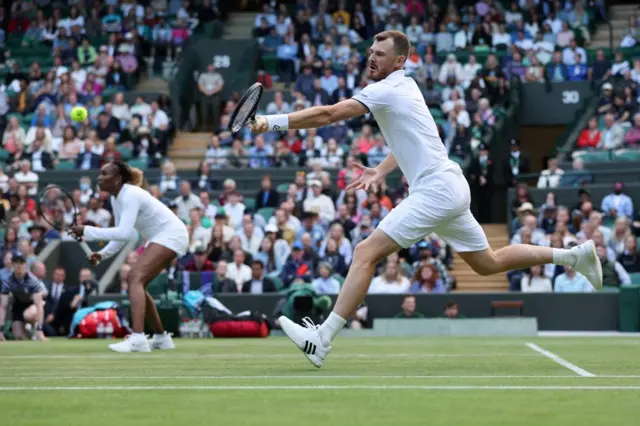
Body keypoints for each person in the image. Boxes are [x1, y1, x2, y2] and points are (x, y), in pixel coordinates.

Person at [249, 30, 602, 368]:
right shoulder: (406, 87)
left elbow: (328, 114)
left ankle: (322, 339)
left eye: (381, 54)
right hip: (449, 186)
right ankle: (573, 255)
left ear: (399, 60)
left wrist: (269, 122)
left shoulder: (387, 90)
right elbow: (411, 141)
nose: (372, 57)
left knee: (364, 253)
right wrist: (381, 171)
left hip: (436, 189)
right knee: (488, 264)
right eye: (371, 52)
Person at [70, 161, 189, 353]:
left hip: (172, 234)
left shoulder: (131, 194)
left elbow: (124, 233)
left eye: (104, 173)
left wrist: (88, 231)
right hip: (161, 236)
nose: (99, 177)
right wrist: (102, 254)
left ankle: (138, 338)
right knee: (138, 283)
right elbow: (121, 235)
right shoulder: (117, 199)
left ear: (117, 179)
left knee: (134, 277)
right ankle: (161, 337)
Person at [0, 255, 48, 341]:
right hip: (18, 306)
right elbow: (3, 306)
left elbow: (39, 304)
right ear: (12, 265)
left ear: (25, 265)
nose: (19, 265)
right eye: (16, 263)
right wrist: (0, 331)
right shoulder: (7, 281)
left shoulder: (32, 280)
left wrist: (40, 330)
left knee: (28, 314)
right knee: (18, 336)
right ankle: (29, 331)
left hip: (32, 304)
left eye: (21, 263)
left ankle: (35, 330)